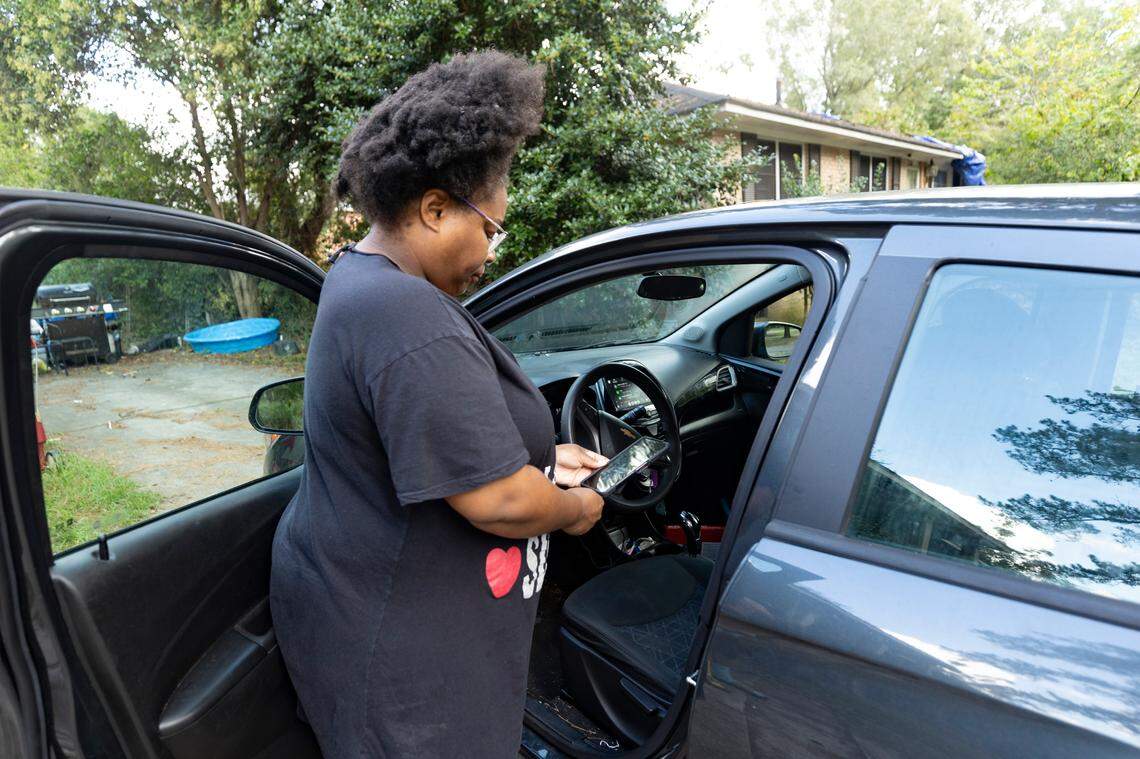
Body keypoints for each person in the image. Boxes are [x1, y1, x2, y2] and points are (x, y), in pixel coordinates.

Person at [270, 51, 607, 758]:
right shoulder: (405, 316)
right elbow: (499, 504)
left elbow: (443, 435)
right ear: (433, 208)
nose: (492, 249)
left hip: (368, 615)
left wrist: (542, 458)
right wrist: (573, 508)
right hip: (407, 674)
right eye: (490, 228)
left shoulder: (363, 283)